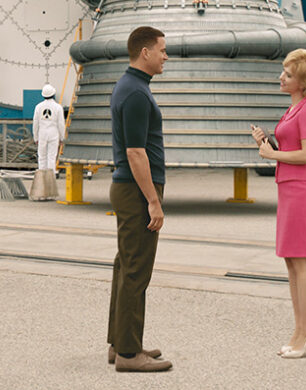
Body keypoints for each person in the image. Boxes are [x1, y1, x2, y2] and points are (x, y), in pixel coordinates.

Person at [251, 48, 306, 359]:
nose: (281, 77)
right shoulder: (295, 108)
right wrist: (267, 142)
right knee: (291, 260)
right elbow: (293, 146)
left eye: (289, 74)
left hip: (303, 187)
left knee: (302, 260)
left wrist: (272, 155)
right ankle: (301, 329)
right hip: (290, 186)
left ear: (304, 82)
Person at [106, 26, 172, 373]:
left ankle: (121, 343)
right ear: (144, 52)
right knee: (135, 270)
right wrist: (153, 200)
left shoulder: (133, 87)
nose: (165, 56)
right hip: (135, 189)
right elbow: (135, 153)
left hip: (130, 188)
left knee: (125, 265)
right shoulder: (135, 92)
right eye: (162, 50)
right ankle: (130, 354)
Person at [31, 83, 65, 200]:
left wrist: (35, 137)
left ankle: (41, 189)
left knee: (42, 159)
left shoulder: (38, 107)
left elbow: (35, 123)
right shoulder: (58, 107)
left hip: (42, 134)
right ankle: (51, 190)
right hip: (53, 133)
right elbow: (61, 124)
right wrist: (62, 138)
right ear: (53, 94)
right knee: (51, 158)